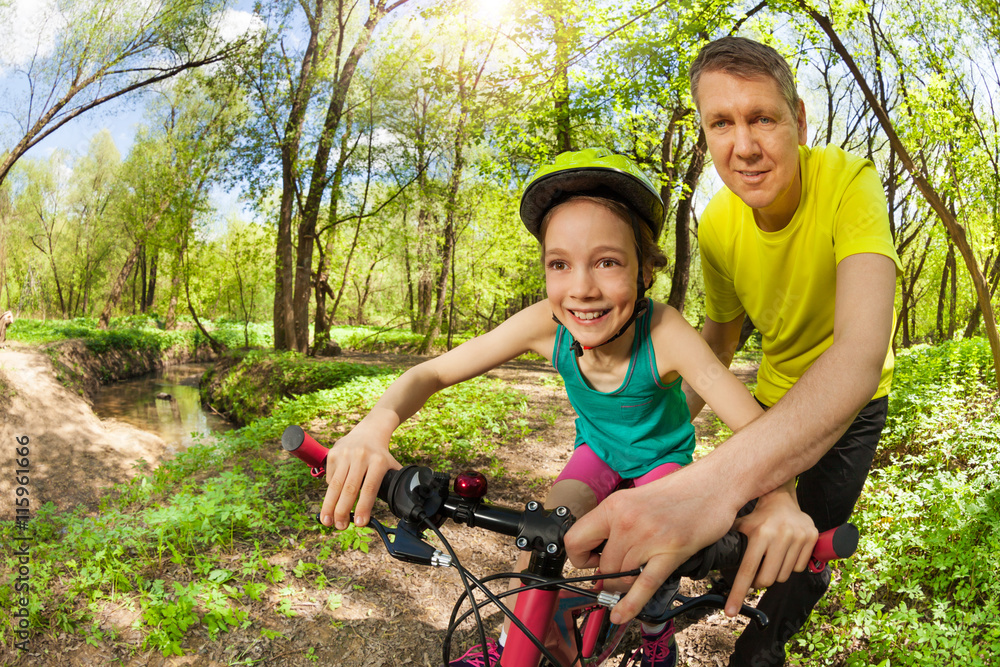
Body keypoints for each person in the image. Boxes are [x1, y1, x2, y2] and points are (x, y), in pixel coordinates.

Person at [319, 148, 808, 667]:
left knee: (644, 568)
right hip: (596, 452)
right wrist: (374, 427)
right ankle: (514, 643)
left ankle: (657, 627)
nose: (581, 288)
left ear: (645, 271)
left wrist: (780, 498)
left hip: (661, 461)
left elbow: (756, 428)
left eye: (608, 262)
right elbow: (431, 373)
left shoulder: (664, 333)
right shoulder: (544, 324)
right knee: (541, 534)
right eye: (560, 264)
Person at [565, 37, 902, 666]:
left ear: (799, 120)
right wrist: (647, 428)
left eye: (762, 118)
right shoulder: (717, 221)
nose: (743, 146)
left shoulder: (849, 183)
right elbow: (720, 337)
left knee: (797, 554)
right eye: (722, 122)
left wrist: (717, 485)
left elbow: (859, 353)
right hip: (772, 395)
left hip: (853, 407)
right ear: (705, 132)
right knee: (732, 540)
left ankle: (760, 648)